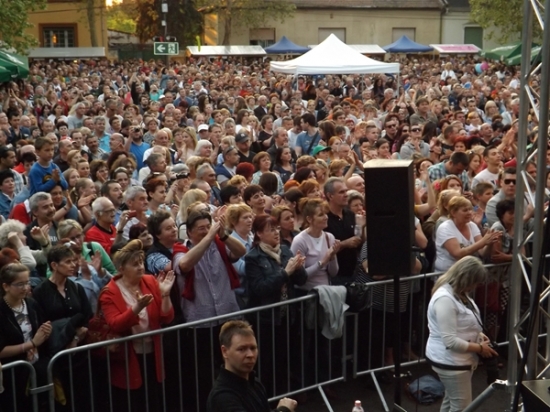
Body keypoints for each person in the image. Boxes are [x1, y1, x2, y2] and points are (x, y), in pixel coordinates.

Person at [99, 240, 175, 412]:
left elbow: (167, 317)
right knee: (134, 403)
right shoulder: (109, 292)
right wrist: (137, 308)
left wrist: (165, 294)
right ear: (121, 269)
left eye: (141, 262)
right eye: (135, 264)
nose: (141, 267)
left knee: (154, 401)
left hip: (153, 353)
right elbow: (115, 324)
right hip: (127, 358)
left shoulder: (149, 281)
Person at [426, 256, 498, 412]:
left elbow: (463, 323)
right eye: (475, 282)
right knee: (462, 407)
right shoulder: (445, 299)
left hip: (456, 361)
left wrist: (479, 334)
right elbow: (450, 341)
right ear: (467, 279)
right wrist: (480, 348)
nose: (475, 286)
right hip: (451, 362)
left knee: (450, 402)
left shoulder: (458, 293)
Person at [245, 215, 307, 396]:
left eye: (277, 229)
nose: (276, 233)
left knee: (286, 359)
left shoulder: (285, 250)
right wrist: (286, 272)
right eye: (271, 230)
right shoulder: (253, 258)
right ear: (259, 234)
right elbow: (260, 288)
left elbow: (302, 280)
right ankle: (268, 398)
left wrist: (298, 268)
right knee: (267, 363)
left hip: (288, 316)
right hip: (266, 320)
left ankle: (286, 396)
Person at [207, 320, 298, 412]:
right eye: (241, 349)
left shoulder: (255, 383)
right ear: (224, 351)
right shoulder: (222, 397)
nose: (250, 355)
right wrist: (283, 410)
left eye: (253, 348)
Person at [0, 263, 52, 411]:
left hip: (35, 370)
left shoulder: (31, 304)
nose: (26, 288)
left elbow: (40, 330)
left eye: (27, 282)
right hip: (12, 375)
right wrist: (32, 344)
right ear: (6, 286)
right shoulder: (2, 310)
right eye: (20, 284)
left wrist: (46, 331)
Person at [434, 196, 500, 273]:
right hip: (448, 273)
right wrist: (483, 241)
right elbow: (457, 254)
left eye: (470, 209)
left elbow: (482, 252)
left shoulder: (472, 225)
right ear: (453, 212)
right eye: (465, 210)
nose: (469, 213)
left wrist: (490, 242)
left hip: (468, 272)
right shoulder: (445, 228)